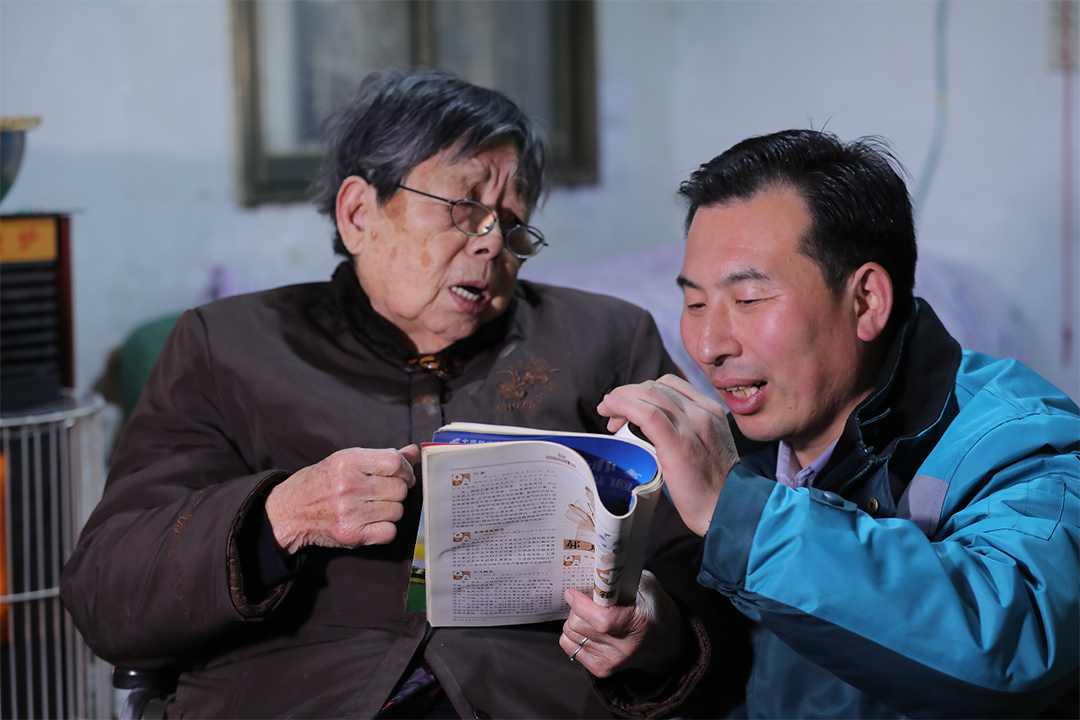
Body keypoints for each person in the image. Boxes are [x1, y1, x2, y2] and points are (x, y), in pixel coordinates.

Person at [59, 69, 717, 719]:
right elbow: (106, 596)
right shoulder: (226, 346)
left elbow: (705, 561)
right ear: (358, 214)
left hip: (534, 695)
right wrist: (281, 515)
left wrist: (657, 631)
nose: (492, 244)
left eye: (512, 226)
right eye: (464, 210)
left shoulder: (605, 341)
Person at [562, 129, 1080, 718]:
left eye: (749, 299)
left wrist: (736, 509)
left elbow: (1010, 649)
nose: (708, 347)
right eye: (695, 303)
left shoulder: (1019, 440)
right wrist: (666, 644)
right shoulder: (744, 441)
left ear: (866, 301)